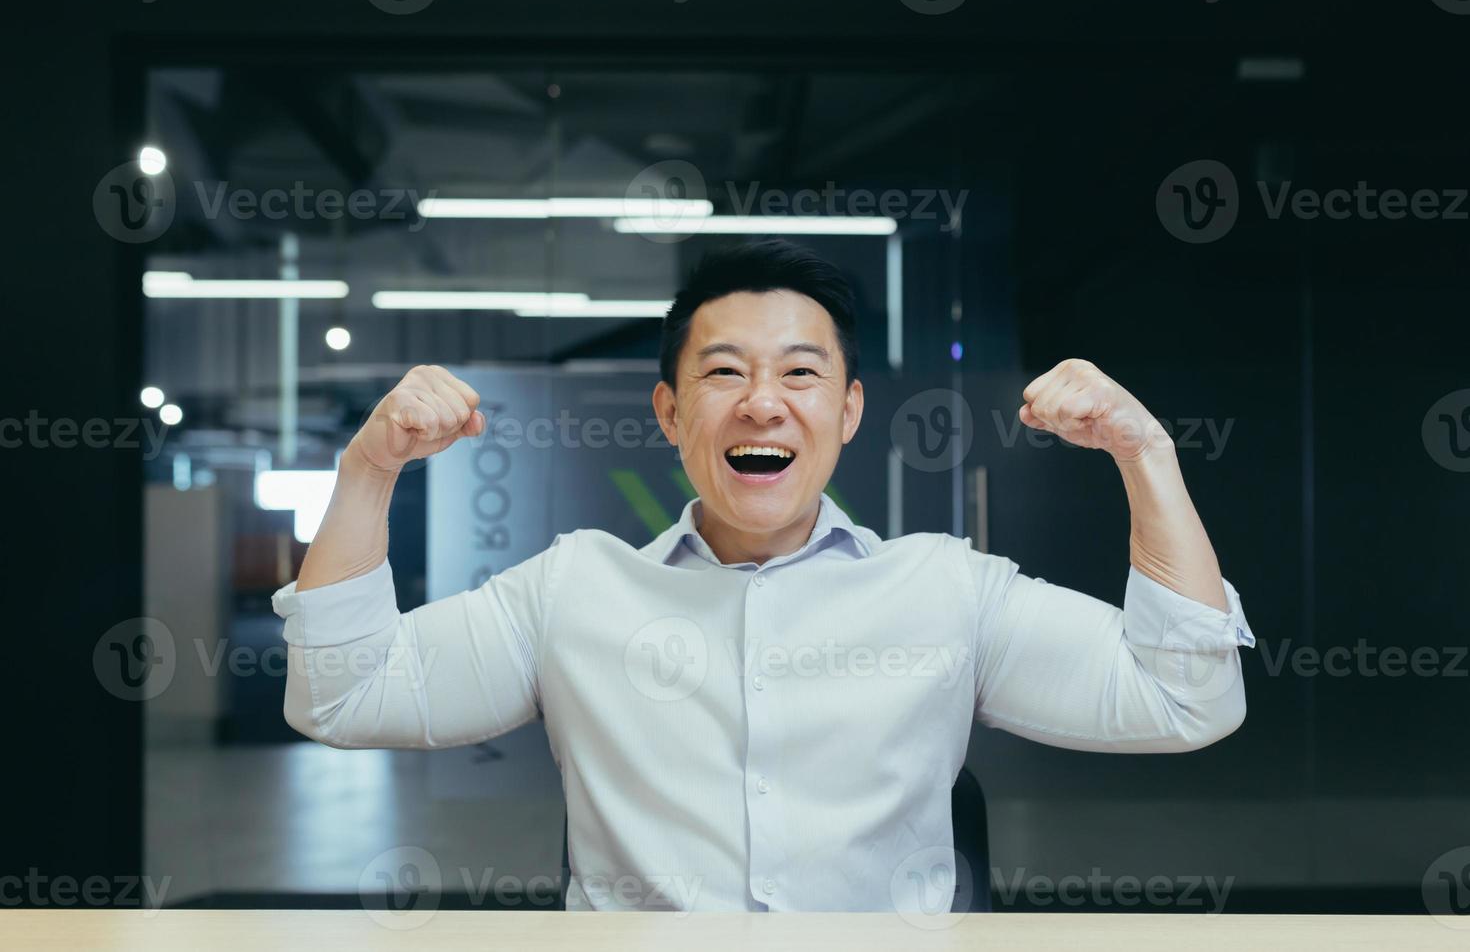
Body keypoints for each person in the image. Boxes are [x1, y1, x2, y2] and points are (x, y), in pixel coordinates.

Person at [272, 239, 1254, 914]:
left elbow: (1184, 698)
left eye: (799, 373)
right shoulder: (574, 589)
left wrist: (1145, 453)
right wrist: (367, 471)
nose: (762, 405)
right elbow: (344, 696)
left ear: (851, 409)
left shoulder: (945, 590)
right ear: (667, 411)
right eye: (724, 372)